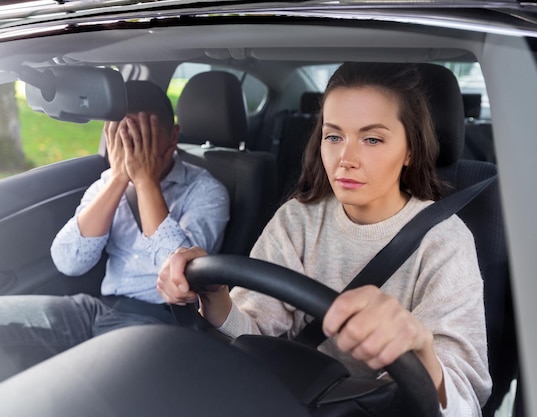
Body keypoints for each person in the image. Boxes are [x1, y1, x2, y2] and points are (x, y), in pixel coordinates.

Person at [157, 63, 491, 416]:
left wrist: (421, 349)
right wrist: (214, 295)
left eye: (372, 139)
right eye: (334, 137)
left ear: (410, 149)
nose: (345, 159)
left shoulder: (445, 240)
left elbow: (463, 401)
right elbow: (253, 336)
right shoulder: (297, 219)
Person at [0, 80, 230, 381]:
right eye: (123, 135)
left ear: (173, 137)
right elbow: (68, 262)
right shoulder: (106, 183)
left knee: (83, 386)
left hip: (160, 322)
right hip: (97, 309)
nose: (130, 148)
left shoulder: (206, 192)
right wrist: (120, 178)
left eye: (142, 136)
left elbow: (182, 274)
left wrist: (145, 181)